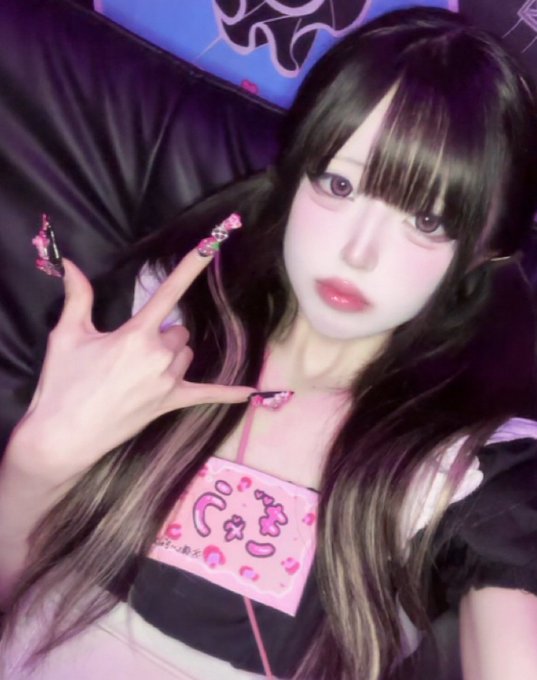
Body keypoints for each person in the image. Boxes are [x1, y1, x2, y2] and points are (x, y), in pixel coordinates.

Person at [1, 6, 537, 680]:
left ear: (485, 251)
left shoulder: (471, 469)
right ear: (295, 171)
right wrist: (37, 463)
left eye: (426, 221)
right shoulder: (153, 324)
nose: (358, 252)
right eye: (338, 184)